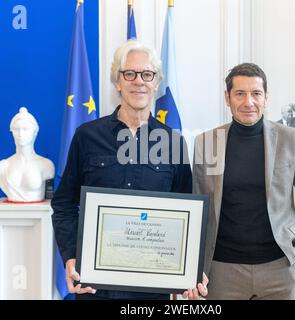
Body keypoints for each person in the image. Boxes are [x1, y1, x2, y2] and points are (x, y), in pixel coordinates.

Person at [51, 40, 207, 300]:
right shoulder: (87, 137)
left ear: (156, 83)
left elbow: (186, 213)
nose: (139, 81)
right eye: (130, 74)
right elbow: (65, 202)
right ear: (118, 81)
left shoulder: (174, 142)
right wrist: (71, 256)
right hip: (96, 285)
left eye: (147, 74)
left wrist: (190, 269)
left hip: (152, 287)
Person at [193, 63, 295, 300]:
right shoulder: (208, 143)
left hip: (279, 270)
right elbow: (199, 210)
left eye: (256, 93)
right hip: (222, 272)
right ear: (227, 97)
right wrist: (195, 268)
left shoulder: (289, 139)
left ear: (266, 98)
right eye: (240, 93)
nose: (248, 102)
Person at [0, 107, 55, 202]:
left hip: (37, 214)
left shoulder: (46, 165)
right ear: (12, 132)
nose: (20, 134)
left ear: (34, 133)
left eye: (25, 129)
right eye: (16, 129)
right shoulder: (3, 166)